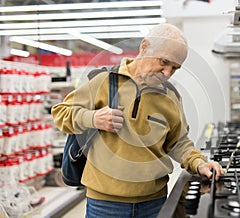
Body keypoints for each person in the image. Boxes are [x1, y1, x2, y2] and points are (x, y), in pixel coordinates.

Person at [51, 23, 224, 218]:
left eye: (175, 68)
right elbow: (60, 113)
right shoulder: (102, 81)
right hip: (105, 205)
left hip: (154, 203)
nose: (167, 73)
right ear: (144, 47)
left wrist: (199, 163)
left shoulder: (171, 96)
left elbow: (178, 143)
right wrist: (93, 118)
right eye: (164, 62)